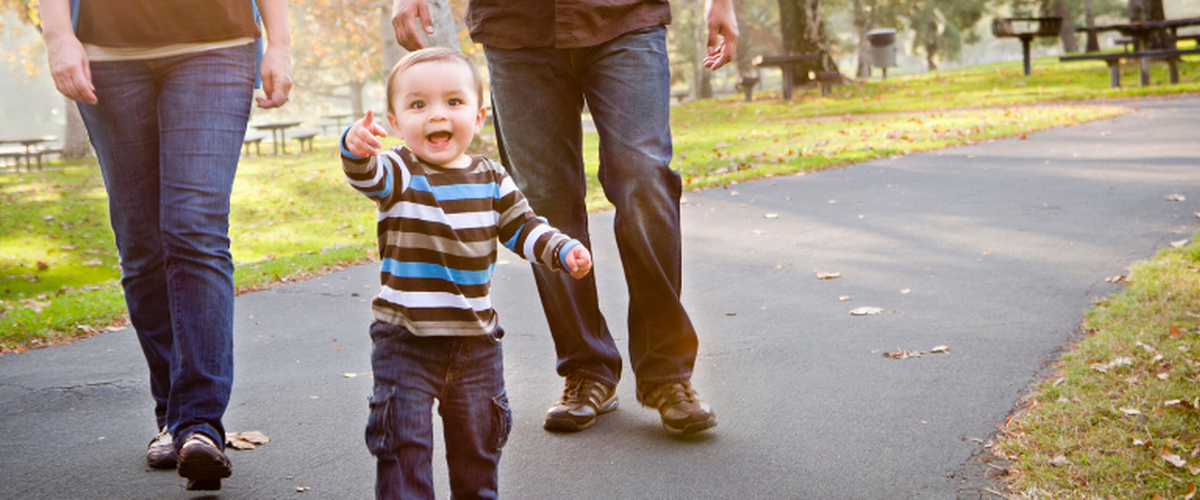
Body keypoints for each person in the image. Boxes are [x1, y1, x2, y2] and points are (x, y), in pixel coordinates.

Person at [390, 0, 738, 435]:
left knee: (644, 176)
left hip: (625, 15)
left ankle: (667, 373)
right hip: (516, 26)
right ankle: (587, 367)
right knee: (543, 202)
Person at [40, 0, 292, 491]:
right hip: (107, 53)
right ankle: (172, 415)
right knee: (141, 244)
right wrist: (57, 36)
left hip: (217, 44)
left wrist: (279, 43)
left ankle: (199, 425)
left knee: (194, 228)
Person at [340, 47, 593, 499]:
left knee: (478, 451)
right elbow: (367, 175)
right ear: (396, 123)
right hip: (406, 342)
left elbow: (523, 227)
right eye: (418, 105)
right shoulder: (400, 170)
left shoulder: (491, 178)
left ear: (477, 117)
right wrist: (355, 148)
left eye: (452, 102)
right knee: (402, 445)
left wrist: (561, 248)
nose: (437, 114)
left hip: (475, 344)